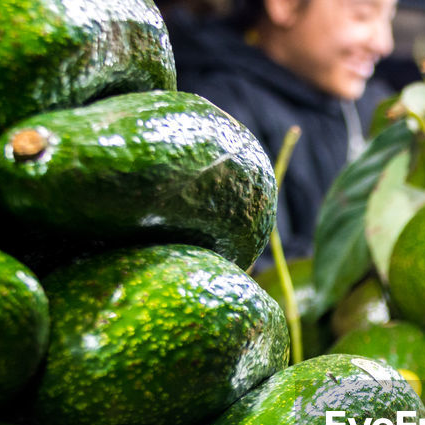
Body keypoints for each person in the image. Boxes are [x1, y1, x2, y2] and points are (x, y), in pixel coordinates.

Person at [164, 0, 396, 262]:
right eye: (361, 16)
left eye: (390, 17)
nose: (384, 44)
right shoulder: (221, 113)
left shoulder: (369, 104)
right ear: (285, 5)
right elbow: (255, 271)